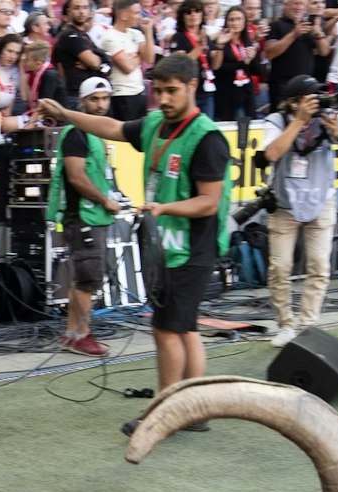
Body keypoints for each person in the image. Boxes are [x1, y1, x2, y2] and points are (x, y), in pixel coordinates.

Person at [39, 53, 227, 434]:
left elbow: (209, 200)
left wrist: (163, 207)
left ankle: (164, 413)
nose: (165, 99)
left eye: (172, 91)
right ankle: (195, 410)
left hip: (192, 247)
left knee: (167, 329)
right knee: (184, 327)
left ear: (192, 87)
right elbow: (110, 126)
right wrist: (67, 115)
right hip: (166, 245)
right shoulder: (157, 123)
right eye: (159, 91)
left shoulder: (207, 137)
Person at [257, 73, 338, 346]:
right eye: (309, 98)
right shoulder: (277, 121)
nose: (316, 102)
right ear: (293, 103)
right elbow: (268, 155)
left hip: (321, 201)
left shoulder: (331, 118)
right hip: (284, 205)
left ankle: (307, 325)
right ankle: (285, 325)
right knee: (280, 267)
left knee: (319, 265)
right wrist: (299, 122)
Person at [46, 76, 126, 357]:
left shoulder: (93, 133)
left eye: (105, 98)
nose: (101, 104)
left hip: (91, 214)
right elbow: (77, 177)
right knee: (88, 278)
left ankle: (72, 334)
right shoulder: (77, 134)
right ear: (82, 101)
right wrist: (105, 200)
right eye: (95, 99)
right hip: (83, 215)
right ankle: (80, 334)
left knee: (85, 277)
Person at [264, 0, 327, 106]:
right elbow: (270, 53)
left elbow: (324, 52)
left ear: (306, 7)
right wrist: (294, 34)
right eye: (295, 3)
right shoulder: (276, 25)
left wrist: (318, 34)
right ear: (285, 5)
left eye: (301, 4)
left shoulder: (310, 27)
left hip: (307, 85)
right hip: (282, 86)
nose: (298, 7)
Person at [210, 4, 261, 119]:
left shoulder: (248, 42)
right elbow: (218, 69)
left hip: (246, 94)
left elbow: (258, 71)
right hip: (226, 94)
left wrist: (252, 59)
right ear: (226, 22)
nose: (235, 23)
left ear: (244, 22)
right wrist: (243, 63)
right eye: (231, 20)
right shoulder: (220, 41)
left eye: (238, 19)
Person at [51, 0, 106, 108]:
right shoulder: (69, 35)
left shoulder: (84, 36)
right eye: (77, 8)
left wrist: (101, 60)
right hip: (76, 96)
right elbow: (94, 62)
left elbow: (106, 65)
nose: (81, 12)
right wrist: (100, 61)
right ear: (69, 11)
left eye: (84, 8)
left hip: (88, 94)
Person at [101, 0, 150, 118]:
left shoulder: (136, 33)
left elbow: (149, 58)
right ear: (124, 15)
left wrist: (148, 31)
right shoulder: (110, 37)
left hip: (139, 92)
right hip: (122, 95)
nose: (140, 17)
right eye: (136, 13)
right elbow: (127, 68)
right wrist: (139, 55)